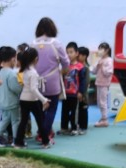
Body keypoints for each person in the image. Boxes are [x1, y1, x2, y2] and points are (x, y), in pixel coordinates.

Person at [32, 17, 69, 147]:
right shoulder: (56, 43)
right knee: (51, 109)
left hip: (36, 81)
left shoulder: (33, 44)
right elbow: (66, 62)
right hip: (52, 81)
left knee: (40, 109)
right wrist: (63, 71)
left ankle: (41, 132)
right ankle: (45, 134)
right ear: (52, 28)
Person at [14, 46, 49, 149]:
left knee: (23, 122)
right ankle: (45, 142)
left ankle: (18, 142)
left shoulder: (24, 70)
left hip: (23, 99)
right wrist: (44, 100)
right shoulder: (33, 73)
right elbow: (34, 89)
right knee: (40, 121)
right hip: (32, 101)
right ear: (36, 59)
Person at [0, 46, 21, 147]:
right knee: (16, 121)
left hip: (2, 102)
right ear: (13, 59)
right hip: (11, 103)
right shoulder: (11, 73)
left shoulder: (1, 71)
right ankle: (16, 140)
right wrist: (22, 86)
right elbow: (16, 88)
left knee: (5, 120)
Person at [59, 42, 79, 136]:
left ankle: (74, 128)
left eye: (71, 52)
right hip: (65, 93)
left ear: (76, 53)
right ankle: (64, 128)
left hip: (75, 94)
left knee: (74, 112)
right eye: (67, 52)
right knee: (64, 111)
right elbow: (61, 78)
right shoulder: (65, 67)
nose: (69, 54)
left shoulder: (80, 67)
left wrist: (81, 92)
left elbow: (83, 81)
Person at [92, 42, 113, 127]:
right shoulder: (100, 60)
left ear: (107, 50)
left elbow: (109, 72)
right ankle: (103, 117)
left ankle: (105, 120)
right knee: (99, 102)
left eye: (102, 49)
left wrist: (102, 66)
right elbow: (93, 71)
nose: (100, 51)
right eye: (99, 49)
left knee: (103, 102)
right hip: (99, 83)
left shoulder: (109, 60)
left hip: (104, 84)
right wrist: (97, 65)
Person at [75, 46, 91, 135]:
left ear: (84, 56)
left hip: (83, 93)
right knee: (78, 109)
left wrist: (82, 93)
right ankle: (78, 125)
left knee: (83, 109)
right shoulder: (77, 66)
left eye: (79, 55)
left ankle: (83, 127)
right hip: (77, 91)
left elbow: (86, 81)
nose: (77, 56)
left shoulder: (85, 67)